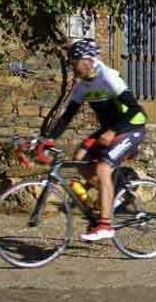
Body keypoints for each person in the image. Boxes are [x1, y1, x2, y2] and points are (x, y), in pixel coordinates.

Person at [46, 38, 147, 241]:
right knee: (79, 158)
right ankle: (113, 195)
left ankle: (105, 225)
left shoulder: (107, 77)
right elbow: (67, 117)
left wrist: (112, 131)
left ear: (88, 61)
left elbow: (137, 110)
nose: (73, 68)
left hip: (131, 127)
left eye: (75, 63)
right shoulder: (83, 85)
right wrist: (48, 139)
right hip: (109, 129)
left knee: (102, 168)